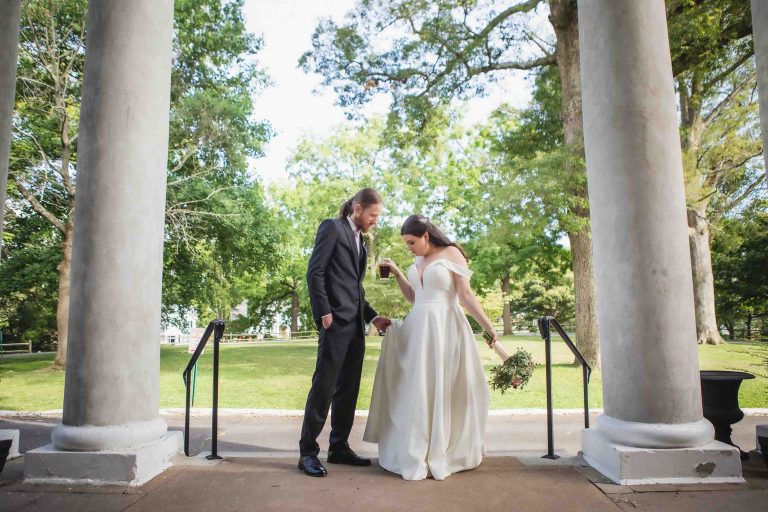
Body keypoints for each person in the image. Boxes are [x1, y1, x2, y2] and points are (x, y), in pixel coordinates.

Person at [363, 214, 497, 481]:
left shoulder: (452, 253)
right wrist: (400, 273)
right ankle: (415, 448)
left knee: (442, 385)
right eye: (407, 244)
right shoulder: (418, 259)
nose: (409, 248)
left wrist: (488, 326)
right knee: (415, 387)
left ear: (426, 235)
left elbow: (465, 295)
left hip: (444, 328)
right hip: (419, 327)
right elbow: (415, 297)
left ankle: (444, 449)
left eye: (412, 242)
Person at [299, 187, 392, 477]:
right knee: (324, 387)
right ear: (358, 208)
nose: (375, 220)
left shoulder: (360, 243)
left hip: (355, 328)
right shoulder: (332, 228)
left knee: (348, 390)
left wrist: (373, 317)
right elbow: (315, 272)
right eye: (373, 215)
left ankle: (338, 447)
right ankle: (307, 453)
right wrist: (323, 313)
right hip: (334, 324)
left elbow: (355, 289)